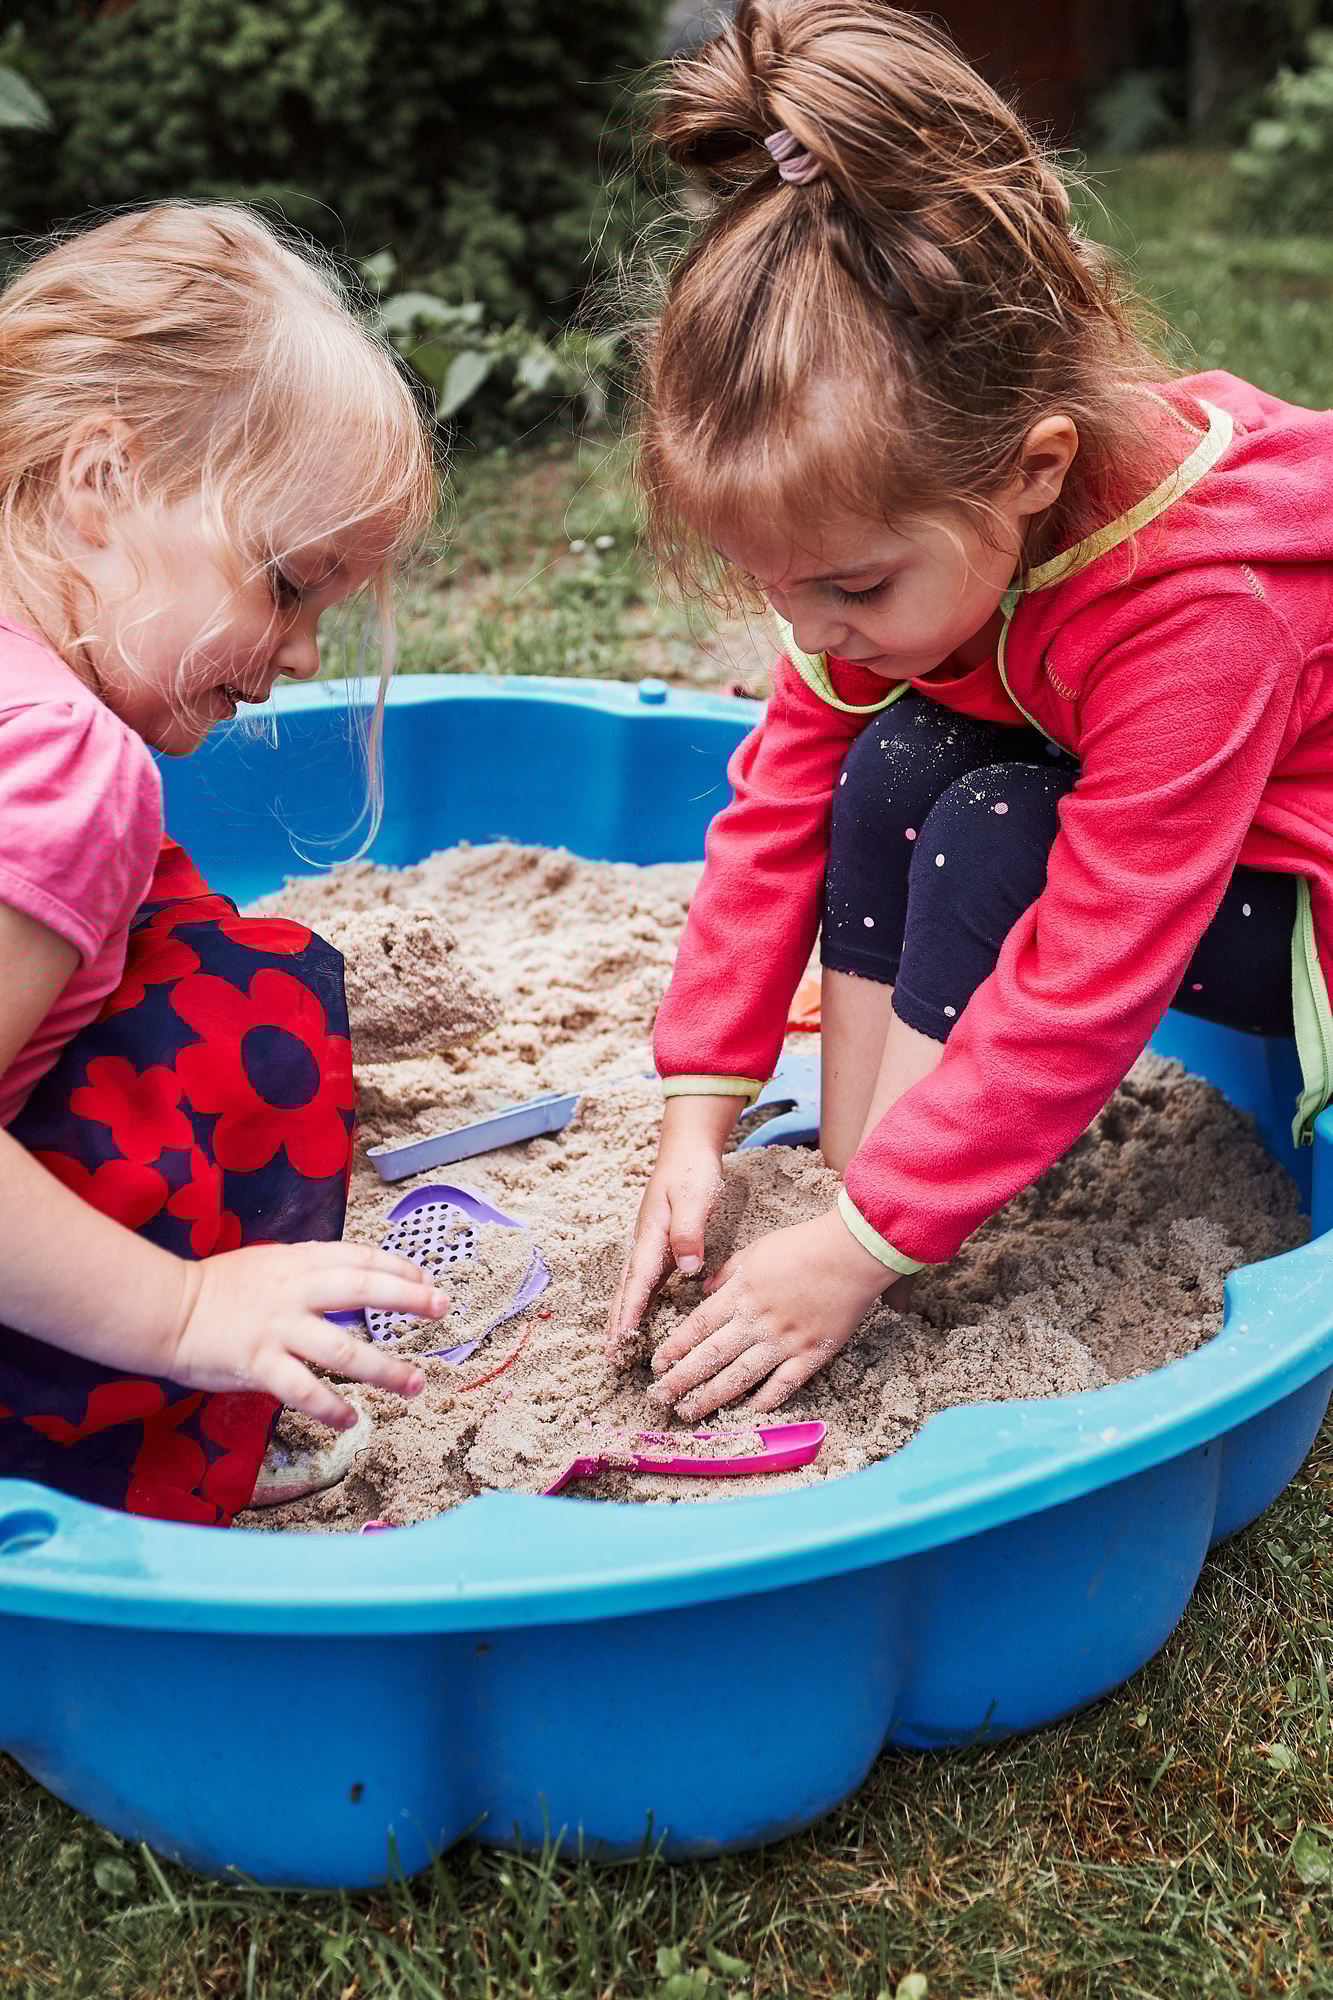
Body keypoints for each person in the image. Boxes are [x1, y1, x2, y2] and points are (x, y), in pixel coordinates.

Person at [609, 0, 1333, 1420]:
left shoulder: (1207, 612)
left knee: (997, 828)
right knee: (887, 764)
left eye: (853, 591)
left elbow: (1096, 964)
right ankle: (864, 1173)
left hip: (1301, 904)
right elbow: (774, 819)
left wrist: (860, 1257)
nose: (814, 634)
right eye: (778, 591)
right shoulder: (907, 540)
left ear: (1032, 468)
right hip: (1176, 820)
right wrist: (693, 1117)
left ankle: (894, 1226)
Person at [0, 204, 452, 1524]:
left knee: (174, 919)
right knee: (258, 1008)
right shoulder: (61, 762)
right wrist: (187, 1307)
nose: (305, 653)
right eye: (287, 583)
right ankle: (116, 1457)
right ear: (103, 485)